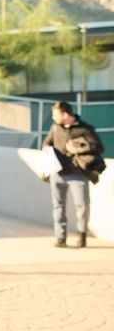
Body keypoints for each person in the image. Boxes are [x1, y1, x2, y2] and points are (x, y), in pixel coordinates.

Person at [42, 101, 105, 248]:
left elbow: (99, 147)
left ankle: (82, 235)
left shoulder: (85, 128)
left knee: (82, 205)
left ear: (65, 114)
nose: (53, 117)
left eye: (55, 114)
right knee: (58, 205)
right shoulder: (55, 128)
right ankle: (60, 237)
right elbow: (46, 143)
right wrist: (46, 148)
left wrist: (78, 148)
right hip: (57, 173)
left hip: (78, 173)